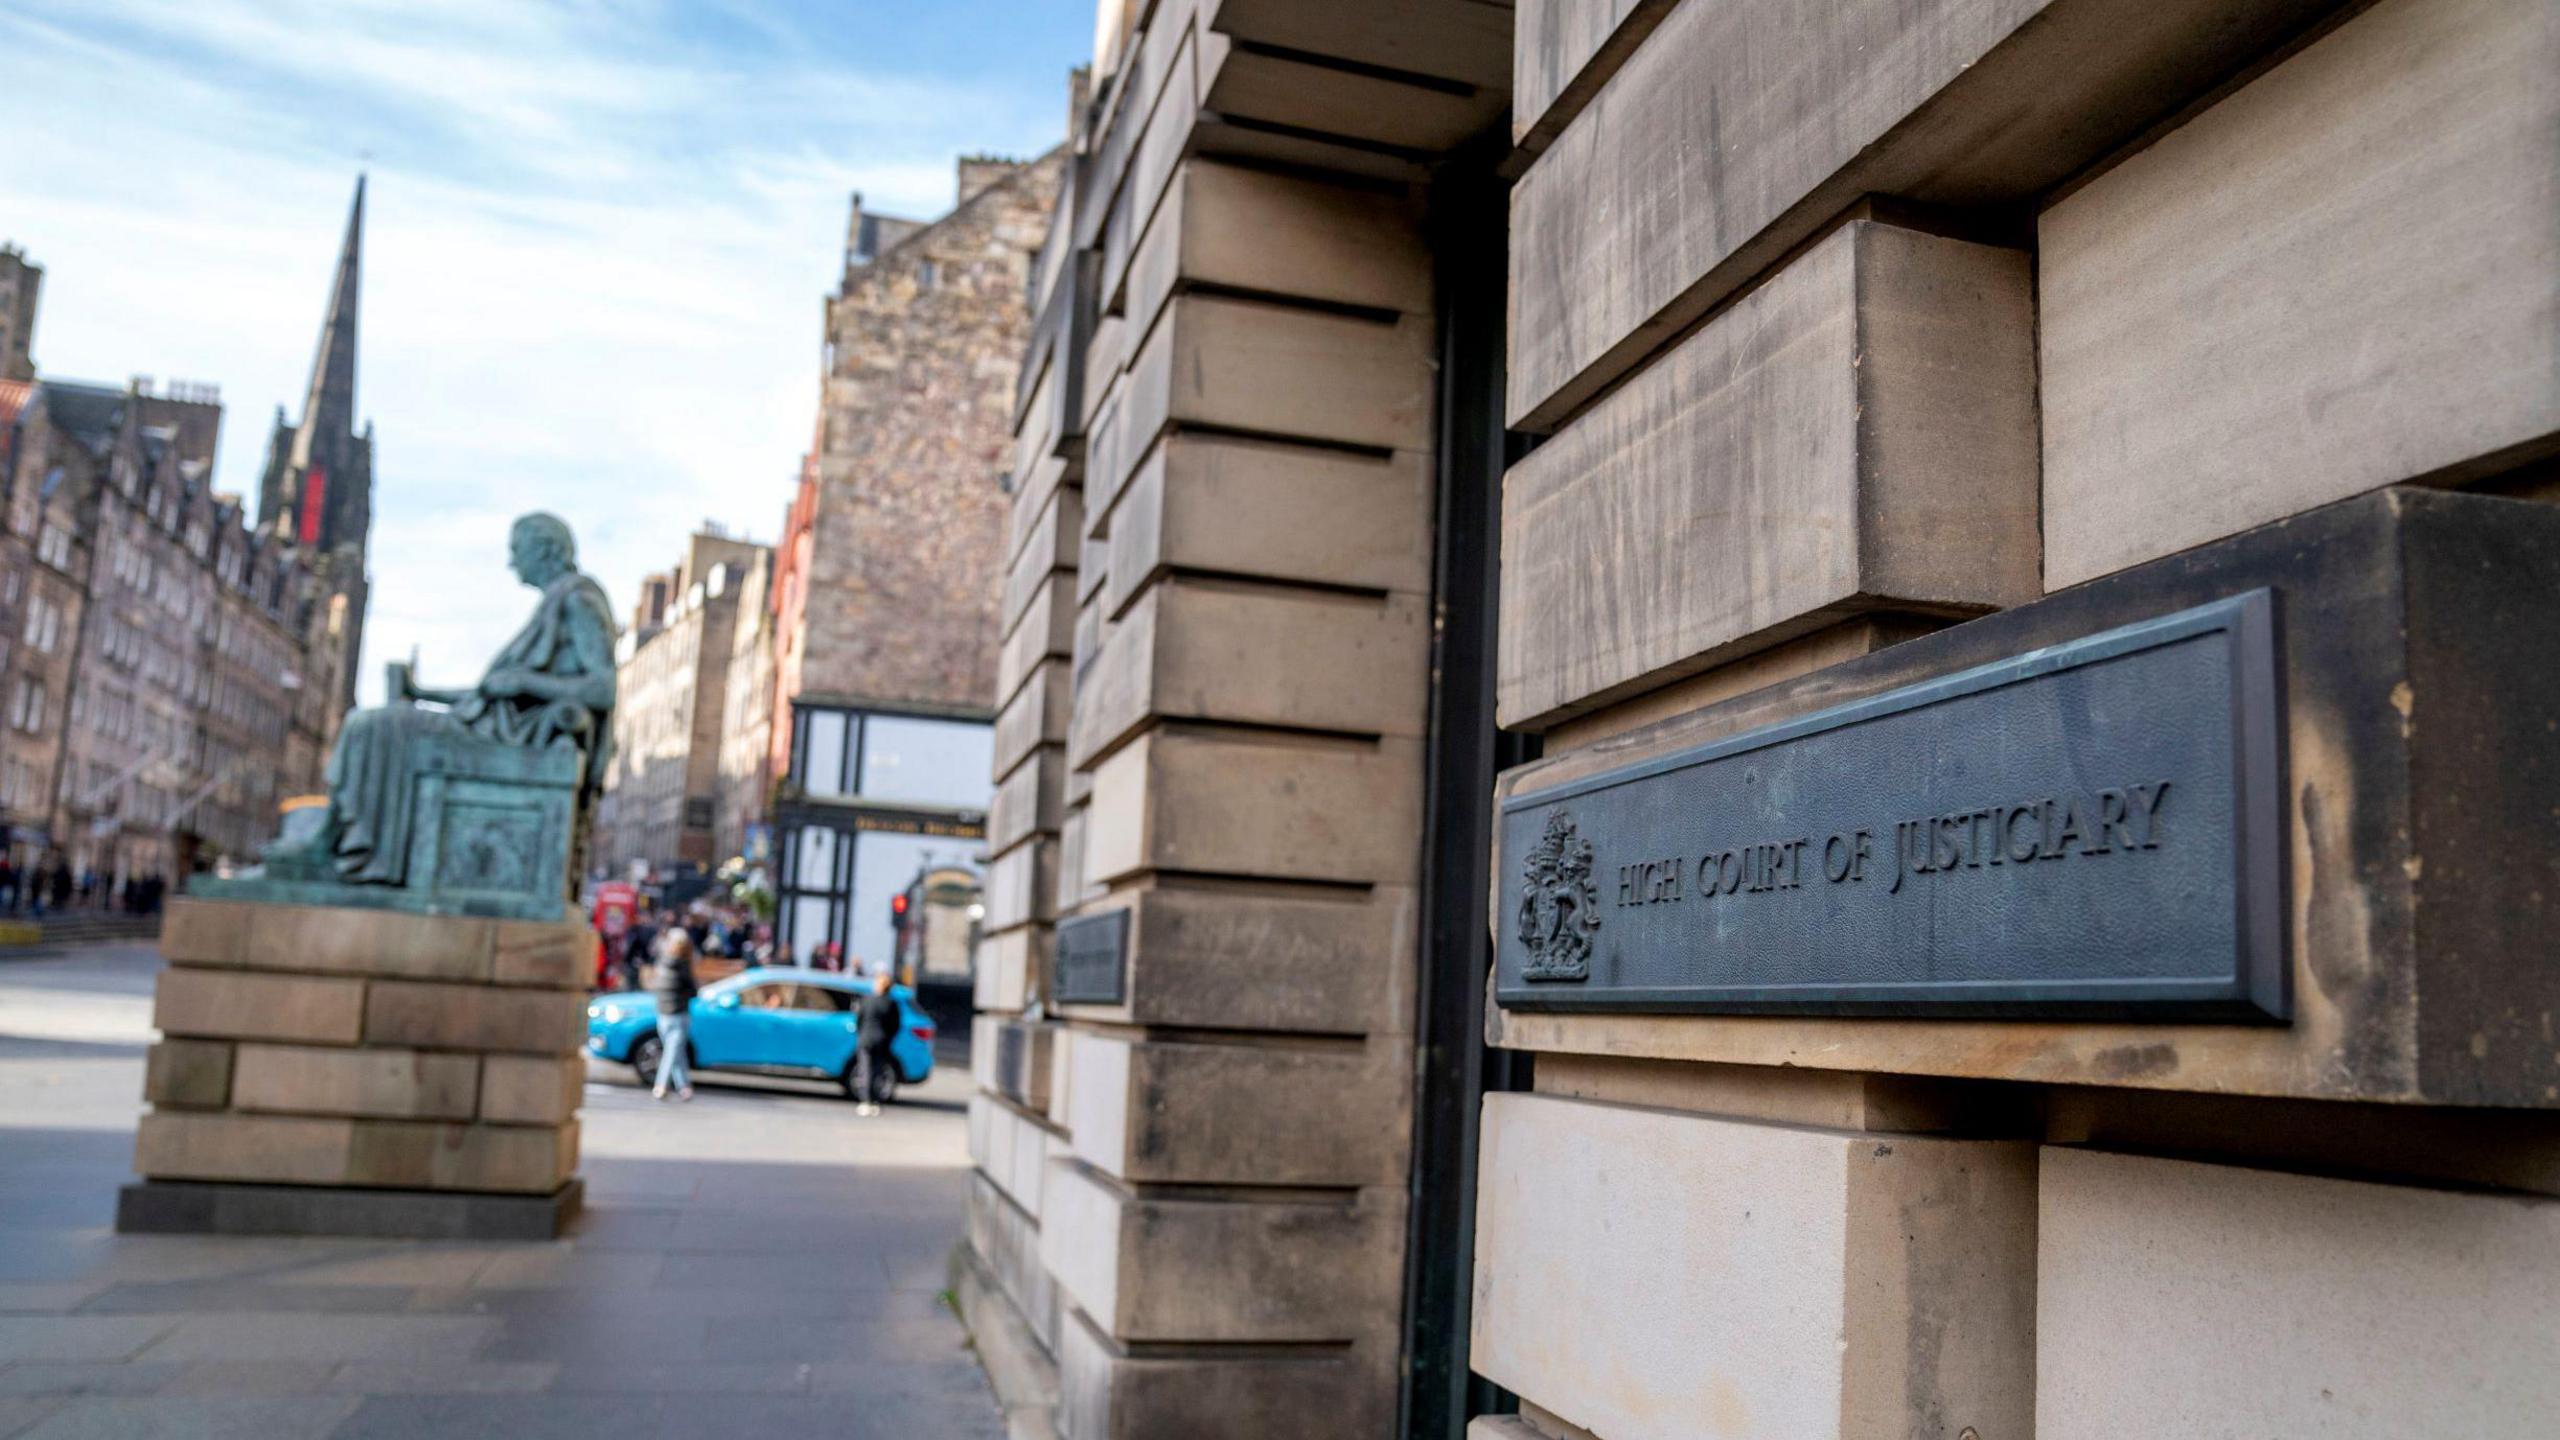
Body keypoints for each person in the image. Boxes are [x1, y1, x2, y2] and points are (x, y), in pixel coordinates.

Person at [263, 512, 616, 886]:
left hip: (511, 737)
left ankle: (339, 848)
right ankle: (349, 847)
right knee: (383, 720)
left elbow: (602, 687)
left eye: (517, 549)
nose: (512, 562)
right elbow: (490, 693)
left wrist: (526, 681)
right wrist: (422, 693)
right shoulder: (558, 600)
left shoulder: (579, 599)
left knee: (368, 726)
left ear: (545, 549)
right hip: (493, 725)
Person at [648, 928, 699, 1102]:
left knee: (676, 1052)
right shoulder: (683, 966)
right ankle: (661, 1085)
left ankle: (684, 1087)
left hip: (662, 1013)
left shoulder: (661, 962)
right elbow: (693, 991)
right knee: (672, 1052)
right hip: (678, 1014)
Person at [852, 967, 901, 1117]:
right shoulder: (891, 1003)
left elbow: (859, 1020)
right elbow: (895, 1025)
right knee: (878, 1071)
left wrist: (861, 1035)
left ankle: (865, 1101)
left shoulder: (866, 1000)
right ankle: (875, 1101)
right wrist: (888, 1038)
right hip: (882, 1041)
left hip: (866, 1039)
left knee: (865, 1070)